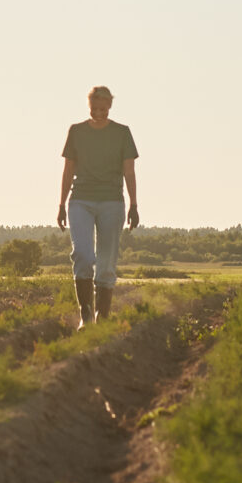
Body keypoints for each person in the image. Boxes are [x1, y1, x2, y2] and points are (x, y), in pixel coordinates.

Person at [56, 86, 139, 326]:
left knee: (106, 262)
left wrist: (133, 205)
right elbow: (68, 169)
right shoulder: (76, 131)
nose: (99, 113)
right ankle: (86, 316)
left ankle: (102, 318)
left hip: (112, 202)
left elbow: (129, 171)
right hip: (80, 200)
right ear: (88, 106)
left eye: (103, 109)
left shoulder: (122, 133)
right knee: (82, 254)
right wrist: (61, 204)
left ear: (110, 107)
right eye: (94, 108)